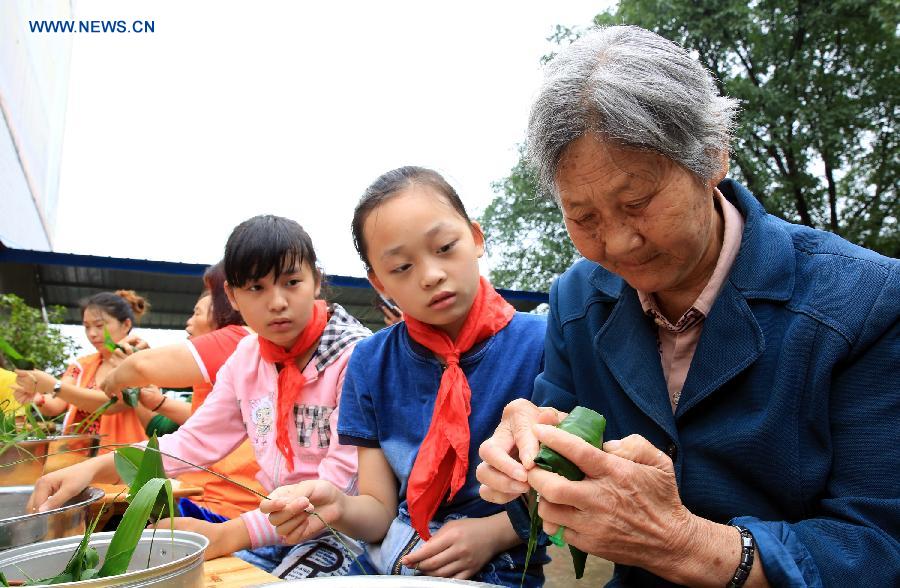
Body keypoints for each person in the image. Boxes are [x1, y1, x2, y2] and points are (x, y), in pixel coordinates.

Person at [474, 25, 900, 587]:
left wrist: (683, 541)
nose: (619, 243)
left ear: (712, 156)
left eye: (638, 201)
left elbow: (879, 545)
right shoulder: (576, 302)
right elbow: (548, 511)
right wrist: (531, 469)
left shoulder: (864, 302)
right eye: (584, 218)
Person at [28, 215, 372, 579]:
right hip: (273, 523)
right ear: (233, 296)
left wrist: (227, 534)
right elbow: (193, 443)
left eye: (291, 282)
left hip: (344, 533)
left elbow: (340, 486)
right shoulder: (247, 358)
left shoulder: (354, 358)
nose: (277, 302)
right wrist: (93, 468)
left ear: (316, 281)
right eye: (256, 287)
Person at [260, 167, 549, 586]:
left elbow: (573, 477)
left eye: (445, 247)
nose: (430, 274)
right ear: (379, 283)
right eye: (401, 267)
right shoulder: (370, 361)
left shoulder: (543, 343)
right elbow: (378, 512)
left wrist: (493, 532)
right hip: (394, 553)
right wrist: (337, 506)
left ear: (476, 238)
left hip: (500, 562)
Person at [101, 261, 264, 520]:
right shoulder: (228, 363)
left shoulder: (239, 340)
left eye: (198, 312)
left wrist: (112, 377)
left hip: (226, 503)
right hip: (208, 495)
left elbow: (142, 367)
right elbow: (199, 424)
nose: (188, 323)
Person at [14, 290, 151, 447]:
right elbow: (57, 405)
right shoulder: (80, 365)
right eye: (86, 327)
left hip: (121, 454)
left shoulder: (139, 361)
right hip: (74, 453)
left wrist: (54, 385)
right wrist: (38, 398)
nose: (92, 334)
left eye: (100, 326)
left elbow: (115, 404)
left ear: (126, 324)